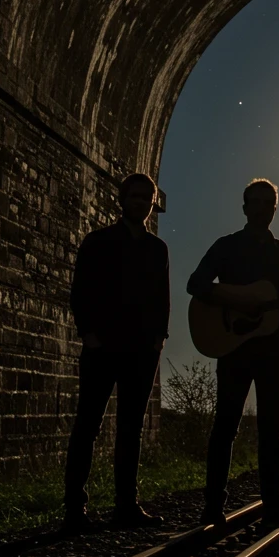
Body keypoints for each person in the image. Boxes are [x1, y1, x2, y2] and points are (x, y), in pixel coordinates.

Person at [187, 178, 279, 529]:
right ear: (244, 208)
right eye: (254, 202)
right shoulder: (226, 247)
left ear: (274, 208)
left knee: (273, 428)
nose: (260, 208)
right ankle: (213, 507)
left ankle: (274, 503)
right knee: (225, 425)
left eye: (267, 202)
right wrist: (238, 299)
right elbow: (196, 284)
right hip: (234, 347)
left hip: (274, 350)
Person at [63, 172, 170, 533]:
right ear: (122, 199)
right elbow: (80, 292)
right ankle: (74, 509)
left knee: (131, 429)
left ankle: (126, 505)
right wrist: (89, 335)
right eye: (135, 196)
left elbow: (162, 299)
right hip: (103, 346)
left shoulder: (158, 249)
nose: (140, 202)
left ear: (153, 203)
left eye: (146, 198)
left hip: (142, 350)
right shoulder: (99, 241)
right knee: (87, 425)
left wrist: (159, 339)